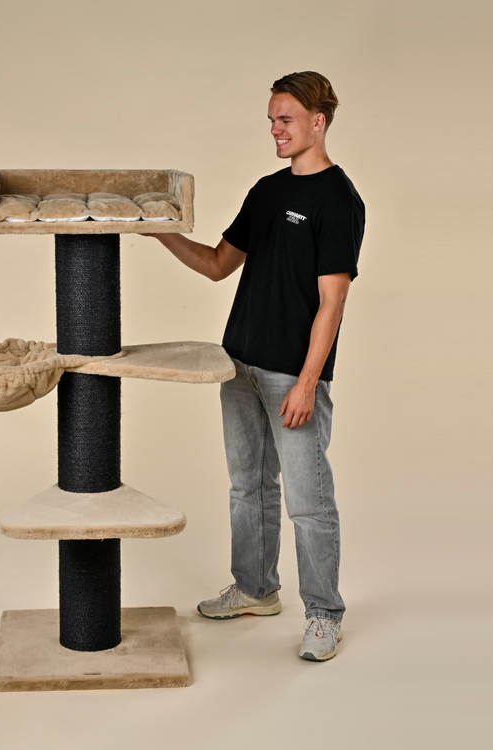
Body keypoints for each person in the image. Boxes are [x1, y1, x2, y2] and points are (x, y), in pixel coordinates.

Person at [142, 72, 365, 661]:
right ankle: (255, 589)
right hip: (238, 363)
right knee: (248, 488)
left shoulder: (339, 199)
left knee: (308, 502)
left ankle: (324, 613)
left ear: (318, 121)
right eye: (271, 120)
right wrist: (158, 231)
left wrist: (308, 383)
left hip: (293, 374)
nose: (275, 130)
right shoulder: (267, 191)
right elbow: (218, 264)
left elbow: (333, 301)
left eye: (285, 119)